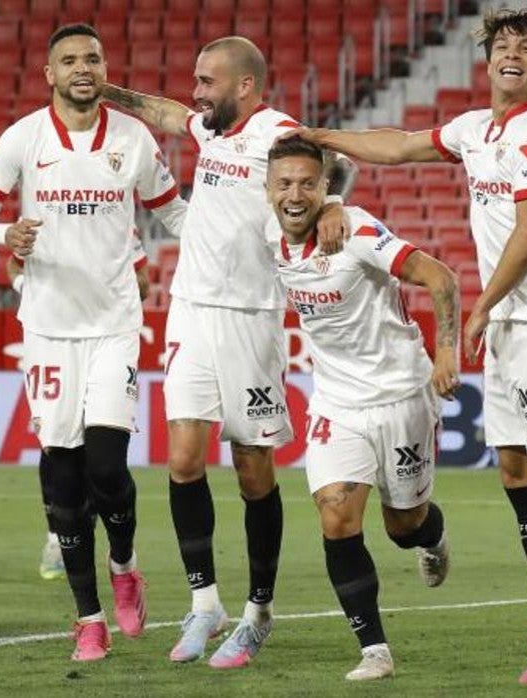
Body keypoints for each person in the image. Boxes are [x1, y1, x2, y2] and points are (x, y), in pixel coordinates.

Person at [285, 8, 527, 685]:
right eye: (501, 44)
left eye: (526, 47)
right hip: (510, 330)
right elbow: (396, 146)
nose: (511, 53)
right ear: (487, 63)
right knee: (516, 472)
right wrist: (319, 135)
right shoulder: (474, 131)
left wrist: (481, 307)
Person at [101, 36, 357, 667]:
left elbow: (329, 167)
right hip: (191, 309)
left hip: (252, 318)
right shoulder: (211, 132)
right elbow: (164, 113)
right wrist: (108, 93)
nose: (197, 91)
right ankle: (205, 602)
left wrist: (337, 203)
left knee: (252, 471)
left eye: (207, 81)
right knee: (183, 459)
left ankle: (258, 610)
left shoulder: (278, 130)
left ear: (246, 85)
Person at [0, 24, 187, 662]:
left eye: (92, 58)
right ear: (49, 75)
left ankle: (126, 564)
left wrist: (228, 240)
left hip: (114, 324)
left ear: (105, 68)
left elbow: (173, 212)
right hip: (49, 331)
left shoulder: (133, 137)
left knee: (108, 469)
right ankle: (88, 618)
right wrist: (5, 236)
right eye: (69, 60)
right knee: (62, 472)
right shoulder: (22, 138)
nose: (82, 68)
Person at [266, 137, 458, 680]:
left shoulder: (359, 233)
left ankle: (433, 536)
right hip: (336, 400)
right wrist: (326, 202)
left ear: (325, 186)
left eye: (308, 183)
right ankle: (374, 650)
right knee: (336, 513)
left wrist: (446, 351)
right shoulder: (267, 232)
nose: (294, 194)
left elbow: (440, 276)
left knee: (404, 526)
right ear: (267, 190)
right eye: (283, 184)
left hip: (401, 394)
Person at [14, 231, 151, 582]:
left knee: (104, 459)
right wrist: (32, 291)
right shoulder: (40, 216)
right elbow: (16, 267)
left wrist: (103, 294)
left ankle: (121, 556)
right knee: (57, 448)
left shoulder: (115, 214)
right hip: (52, 339)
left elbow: (143, 283)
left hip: (105, 336)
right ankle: (55, 538)